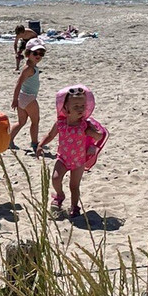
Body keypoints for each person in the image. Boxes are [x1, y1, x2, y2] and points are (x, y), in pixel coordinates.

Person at [36, 85, 104, 218]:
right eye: (76, 106)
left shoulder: (85, 125)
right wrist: (40, 145)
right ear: (66, 109)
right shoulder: (60, 124)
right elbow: (50, 135)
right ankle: (59, 195)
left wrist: (91, 133)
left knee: (74, 186)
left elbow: (99, 136)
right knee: (55, 178)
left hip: (79, 161)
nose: (80, 109)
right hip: (63, 158)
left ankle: (74, 206)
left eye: (82, 106)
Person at [9, 37, 46, 152]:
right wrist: (14, 99)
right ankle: (34, 143)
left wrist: (17, 99)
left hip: (23, 97)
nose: (38, 56)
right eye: (35, 53)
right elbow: (18, 83)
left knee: (21, 122)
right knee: (35, 121)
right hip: (28, 98)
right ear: (28, 53)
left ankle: (9, 140)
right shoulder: (28, 69)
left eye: (41, 53)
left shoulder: (31, 67)